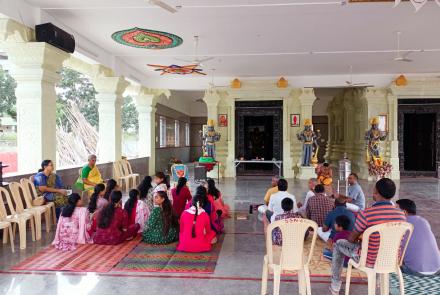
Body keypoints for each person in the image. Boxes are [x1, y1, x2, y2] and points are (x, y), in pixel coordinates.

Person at [329, 178, 406, 295]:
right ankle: (379, 281)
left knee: (339, 243)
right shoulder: (401, 215)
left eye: (374, 190)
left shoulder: (366, 213)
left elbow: (351, 239)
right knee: (382, 245)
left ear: (376, 193)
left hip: (369, 260)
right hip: (392, 259)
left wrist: (362, 239)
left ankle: (335, 285)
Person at [396, 199, 440, 276]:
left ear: (404, 212)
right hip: (437, 269)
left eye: (396, 209)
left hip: (416, 271)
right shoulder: (424, 221)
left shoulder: (402, 224)